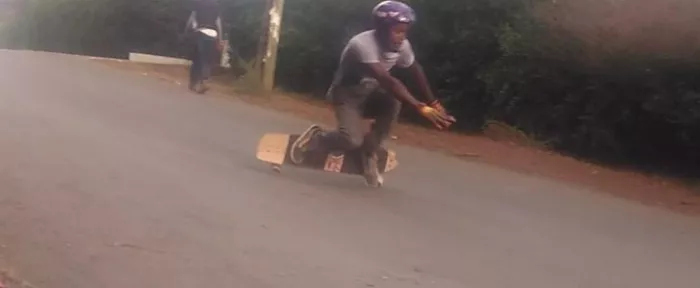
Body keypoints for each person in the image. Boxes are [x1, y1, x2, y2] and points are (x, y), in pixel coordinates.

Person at [289, 0, 456, 187]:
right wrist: (419, 106)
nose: (402, 37)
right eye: (397, 31)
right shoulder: (361, 44)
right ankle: (318, 139)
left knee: (393, 102)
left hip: (371, 95)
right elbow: (388, 80)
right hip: (346, 95)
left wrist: (433, 102)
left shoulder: (402, 45)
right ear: (382, 29)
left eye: (405, 32)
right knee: (351, 140)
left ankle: (369, 151)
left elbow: (415, 70)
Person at [183, 0, 224, 93]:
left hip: (200, 32)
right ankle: (203, 81)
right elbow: (218, 22)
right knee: (207, 59)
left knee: (197, 58)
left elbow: (192, 18)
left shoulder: (198, 3)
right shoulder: (216, 5)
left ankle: (194, 82)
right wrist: (220, 38)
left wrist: (187, 30)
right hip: (213, 34)